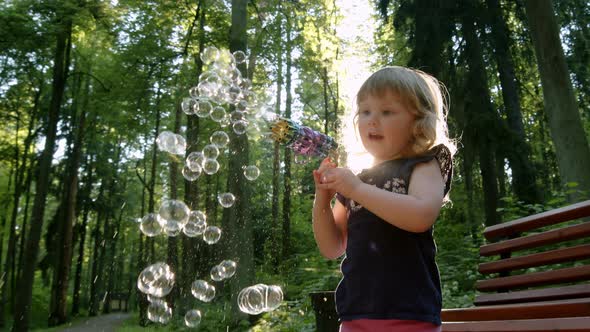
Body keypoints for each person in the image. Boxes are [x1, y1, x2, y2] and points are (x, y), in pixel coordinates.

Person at [312, 66, 455, 332]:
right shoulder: (357, 182)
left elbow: (420, 215)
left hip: (410, 313)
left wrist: (355, 189)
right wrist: (322, 199)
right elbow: (331, 247)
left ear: (418, 122)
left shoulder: (424, 165)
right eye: (365, 111)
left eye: (386, 111)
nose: (372, 120)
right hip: (356, 313)